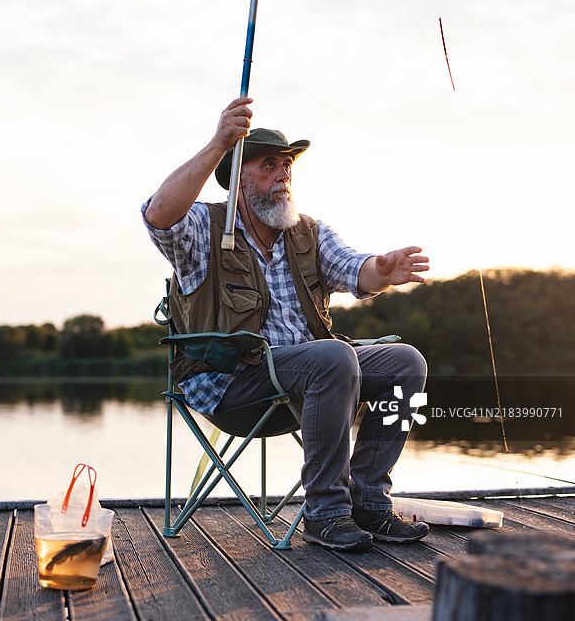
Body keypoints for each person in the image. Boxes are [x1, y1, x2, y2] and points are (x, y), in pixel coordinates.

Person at [142, 96, 430, 552]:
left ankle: (369, 502)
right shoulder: (203, 227)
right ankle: (325, 512)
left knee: (406, 363)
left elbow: (355, 269)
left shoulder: (308, 231)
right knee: (332, 357)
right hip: (231, 383)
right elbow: (158, 214)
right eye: (268, 165)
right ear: (238, 177)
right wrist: (219, 142)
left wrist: (382, 270)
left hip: (312, 374)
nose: (283, 175)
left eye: (287, 166)